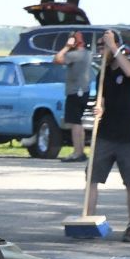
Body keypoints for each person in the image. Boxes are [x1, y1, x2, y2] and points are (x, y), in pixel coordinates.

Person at [86, 30, 130, 243]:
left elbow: (129, 73)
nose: (102, 49)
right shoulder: (104, 72)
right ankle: (88, 221)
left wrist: (114, 46)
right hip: (105, 135)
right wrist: (99, 108)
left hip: (128, 136)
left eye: (105, 45)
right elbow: (102, 100)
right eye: (101, 46)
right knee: (92, 178)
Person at [54, 31, 91, 162]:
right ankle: (81, 151)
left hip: (74, 92)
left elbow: (57, 59)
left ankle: (77, 152)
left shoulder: (74, 55)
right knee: (79, 123)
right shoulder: (87, 53)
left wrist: (67, 47)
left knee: (75, 123)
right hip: (84, 91)